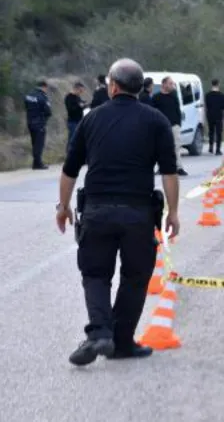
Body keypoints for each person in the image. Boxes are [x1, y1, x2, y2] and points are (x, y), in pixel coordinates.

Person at [56, 57, 181, 367]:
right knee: (136, 277)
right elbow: (169, 172)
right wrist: (173, 213)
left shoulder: (91, 119)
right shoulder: (156, 121)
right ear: (139, 88)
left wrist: (63, 207)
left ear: (112, 85)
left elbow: (70, 169)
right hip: (138, 212)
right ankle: (122, 341)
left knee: (95, 274)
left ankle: (100, 331)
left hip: (97, 210)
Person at [152, 76, 188, 176]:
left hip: (174, 126)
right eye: (170, 83)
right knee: (162, 148)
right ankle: (162, 167)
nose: (172, 85)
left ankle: (179, 167)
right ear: (164, 84)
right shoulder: (156, 97)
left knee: (176, 146)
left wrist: (178, 123)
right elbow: (154, 112)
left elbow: (177, 110)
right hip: (162, 127)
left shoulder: (173, 96)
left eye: (172, 84)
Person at [23, 80, 52, 170]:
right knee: (39, 143)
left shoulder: (28, 95)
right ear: (44, 87)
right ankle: (38, 163)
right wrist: (44, 119)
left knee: (34, 142)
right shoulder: (42, 97)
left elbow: (26, 106)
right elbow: (48, 111)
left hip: (30, 121)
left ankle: (36, 162)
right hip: (39, 122)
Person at [204, 79, 224, 155]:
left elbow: (207, 106)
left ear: (212, 84)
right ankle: (218, 149)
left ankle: (211, 147)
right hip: (218, 116)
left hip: (210, 115)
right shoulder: (221, 95)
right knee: (218, 133)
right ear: (218, 84)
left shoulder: (207, 95)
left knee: (211, 131)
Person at [64, 82, 87, 153]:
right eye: (80, 91)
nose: (81, 92)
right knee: (72, 139)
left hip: (79, 120)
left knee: (79, 139)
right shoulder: (69, 97)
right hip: (73, 121)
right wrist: (79, 106)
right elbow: (70, 109)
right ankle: (69, 154)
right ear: (76, 89)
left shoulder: (78, 97)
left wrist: (84, 105)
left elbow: (79, 106)